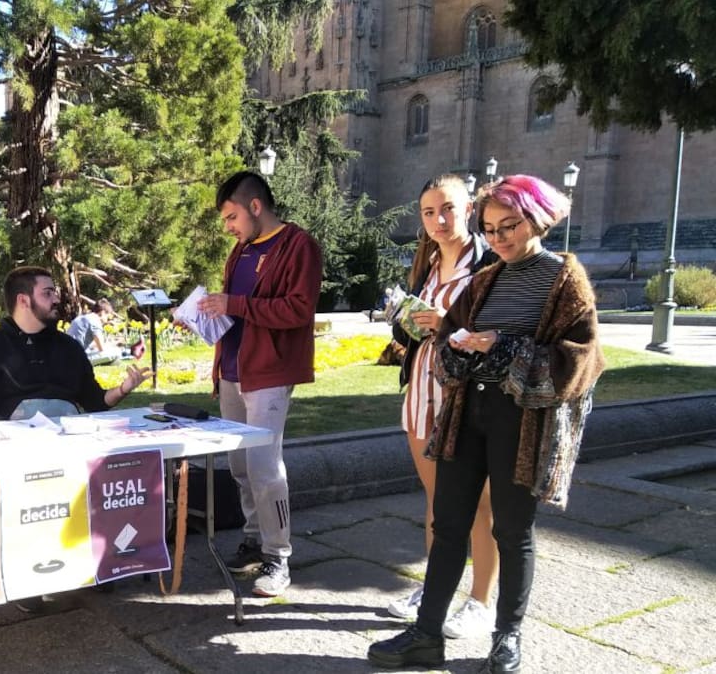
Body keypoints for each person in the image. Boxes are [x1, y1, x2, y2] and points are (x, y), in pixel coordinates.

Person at [368, 175, 605, 672]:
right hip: (466, 415)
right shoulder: (485, 279)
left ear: (538, 219)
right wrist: (458, 345)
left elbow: (580, 362)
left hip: (522, 422)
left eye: (509, 226)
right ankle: (426, 635)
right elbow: (451, 341)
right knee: (449, 522)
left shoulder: (565, 277)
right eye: (491, 228)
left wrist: (504, 347)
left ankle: (507, 638)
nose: (498, 238)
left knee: (512, 531)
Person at [196, 171, 322, 597]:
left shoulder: (298, 245)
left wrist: (232, 304)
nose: (228, 227)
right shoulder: (242, 251)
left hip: (268, 372)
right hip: (233, 369)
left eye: (231, 216)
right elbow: (242, 310)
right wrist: (212, 312)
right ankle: (254, 537)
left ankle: (278, 555)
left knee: (265, 467)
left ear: (254, 206)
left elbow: (298, 310)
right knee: (239, 466)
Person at [386, 174, 500, 638]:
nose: (439, 219)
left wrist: (446, 322)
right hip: (422, 390)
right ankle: (437, 589)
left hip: (467, 396)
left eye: (448, 208)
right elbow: (413, 330)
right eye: (430, 212)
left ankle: (480, 601)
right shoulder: (427, 259)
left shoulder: (491, 262)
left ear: (469, 208)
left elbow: (497, 333)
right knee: (437, 501)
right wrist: (405, 321)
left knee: (476, 503)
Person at [0, 266, 150, 422]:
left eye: (55, 293)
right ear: (23, 300)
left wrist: (122, 389)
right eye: (48, 293)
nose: (57, 299)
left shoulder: (69, 347)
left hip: (70, 445)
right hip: (16, 448)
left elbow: (95, 402)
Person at [65, 298, 122, 365]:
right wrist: (115, 343)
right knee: (117, 352)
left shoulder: (81, 318)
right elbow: (101, 348)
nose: (107, 320)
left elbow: (90, 345)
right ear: (102, 312)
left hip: (67, 356)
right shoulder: (95, 321)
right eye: (107, 316)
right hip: (76, 359)